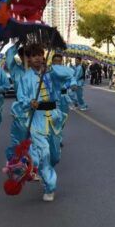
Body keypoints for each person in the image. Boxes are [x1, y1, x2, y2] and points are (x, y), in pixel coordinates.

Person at [16, 44, 76, 202]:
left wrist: (51, 69)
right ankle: (50, 186)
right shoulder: (25, 78)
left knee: (54, 156)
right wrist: (30, 102)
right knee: (45, 153)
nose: (37, 58)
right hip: (37, 121)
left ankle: (44, 170)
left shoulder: (51, 73)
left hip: (54, 119)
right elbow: (20, 99)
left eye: (40, 55)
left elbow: (70, 73)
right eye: (33, 55)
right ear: (28, 58)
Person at [4, 42, 30, 161]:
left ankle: (33, 166)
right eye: (25, 55)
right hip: (21, 110)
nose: (28, 58)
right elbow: (8, 55)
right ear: (20, 56)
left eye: (31, 55)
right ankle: (18, 163)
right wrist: (19, 42)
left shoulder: (39, 71)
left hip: (37, 111)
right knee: (20, 139)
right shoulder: (15, 70)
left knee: (36, 140)